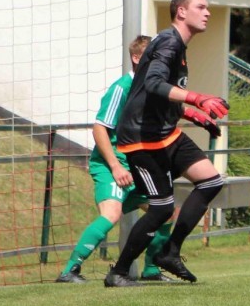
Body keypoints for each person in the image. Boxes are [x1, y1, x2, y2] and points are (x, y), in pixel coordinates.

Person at [103, 0, 229, 287]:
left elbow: (158, 96)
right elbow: (154, 84)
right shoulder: (169, 42)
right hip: (143, 140)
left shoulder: (176, 44)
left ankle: (170, 252)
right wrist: (198, 99)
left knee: (211, 180)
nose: (207, 12)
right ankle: (118, 272)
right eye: (201, 7)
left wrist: (189, 114)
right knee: (161, 208)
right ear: (181, 12)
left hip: (166, 133)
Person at [56, 36, 177, 284]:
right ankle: (70, 270)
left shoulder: (152, 90)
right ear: (136, 58)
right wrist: (115, 166)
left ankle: (152, 269)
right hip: (112, 165)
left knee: (166, 211)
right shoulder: (122, 88)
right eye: (153, 57)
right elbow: (99, 128)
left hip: (137, 165)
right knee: (111, 214)